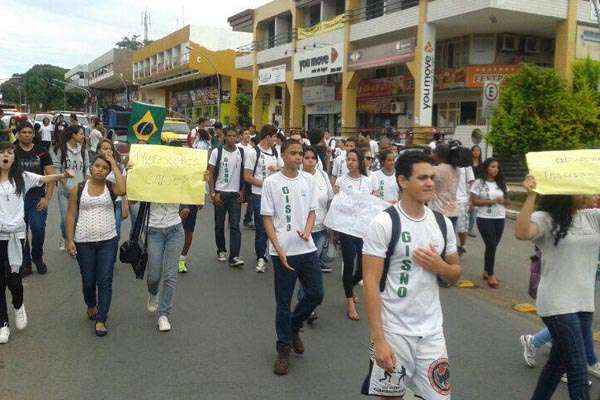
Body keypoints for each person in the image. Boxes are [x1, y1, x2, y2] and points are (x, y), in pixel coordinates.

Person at [361, 150, 460, 399]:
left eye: (431, 177)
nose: (430, 183)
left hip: (432, 333)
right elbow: (370, 283)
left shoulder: (442, 223)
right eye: (422, 178)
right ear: (403, 181)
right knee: (390, 397)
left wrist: (441, 267)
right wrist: (379, 339)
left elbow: (455, 274)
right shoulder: (383, 223)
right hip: (394, 333)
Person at [515, 176, 600, 400]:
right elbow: (522, 232)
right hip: (556, 302)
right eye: (580, 189)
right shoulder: (546, 219)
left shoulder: (592, 217)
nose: (587, 192)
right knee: (577, 367)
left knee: (557, 363)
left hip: (583, 303)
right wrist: (531, 195)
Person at [261, 139, 324, 376]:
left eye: (301, 154)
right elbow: (267, 217)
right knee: (283, 302)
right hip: (283, 251)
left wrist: (308, 230)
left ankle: (294, 326)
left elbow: (311, 211)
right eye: (293, 153)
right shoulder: (271, 182)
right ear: (283, 155)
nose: (298, 157)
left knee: (317, 293)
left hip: (306, 249)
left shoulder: (309, 180)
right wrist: (277, 248)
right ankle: (283, 349)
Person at [0, 141, 73, 344]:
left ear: (13, 158)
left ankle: (18, 305)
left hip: (16, 236)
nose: (5, 156)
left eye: (9, 153)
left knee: (14, 280)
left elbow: (44, 177)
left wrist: (63, 175)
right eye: (1, 153)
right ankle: (3, 324)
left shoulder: (22, 178)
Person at [65, 154, 125, 337]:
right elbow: (70, 215)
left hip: (108, 240)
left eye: (104, 168)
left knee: (105, 280)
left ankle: (101, 318)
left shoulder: (110, 187)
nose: (100, 169)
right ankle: (91, 304)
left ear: (108, 172)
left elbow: (122, 190)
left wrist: (114, 163)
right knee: (88, 280)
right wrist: (69, 240)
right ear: (91, 168)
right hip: (84, 241)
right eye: (97, 166)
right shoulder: (79, 188)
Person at [333, 149, 372, 321]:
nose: (350, 162)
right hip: (346, 229)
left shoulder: (368, 181)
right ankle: (350, 302)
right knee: (349, 264)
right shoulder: (341, 181)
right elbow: (336, 207)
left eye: (354, 160)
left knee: (363, 268)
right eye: (348, 159)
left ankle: (350, 285)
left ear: (360, 162)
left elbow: (371, 205)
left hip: (363, 229)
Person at [14, 122, 55, 276]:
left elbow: (50, 176)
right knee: (20, 233)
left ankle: (37, 257)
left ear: (33, 134)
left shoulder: (42, 152)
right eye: (23, 132)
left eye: (30, 132)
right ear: (18, 134)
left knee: (38, 229)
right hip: (16, 199)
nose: (27, 135)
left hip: (37, 198)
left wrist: (47, 198)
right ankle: (26, 263)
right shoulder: (11, 150)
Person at [243, 124, 282, 273]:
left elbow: (283, 169)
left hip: (275, 196)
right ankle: (261, 257)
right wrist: (266, 183)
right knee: (261, 227)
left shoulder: (275, 152)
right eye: (274, 137)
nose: (276, 140)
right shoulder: (254, 153)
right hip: (259, 195)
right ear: (268, 137)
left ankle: (273, 253)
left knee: (276, 226)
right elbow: (247, 176)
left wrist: (277, 170)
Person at [145, 201, 189, 332]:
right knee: (154, 275)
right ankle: (153, 293)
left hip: (175, 229)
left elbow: (190, 189)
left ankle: (163, 314)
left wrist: (188, 204)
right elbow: (134, 197)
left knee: (170, 275)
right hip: (153, 229)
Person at [207, 128, 245, 267]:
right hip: (220, 193)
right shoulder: (217, 152)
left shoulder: (241, 152)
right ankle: (221, 250)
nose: (231, 138)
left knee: (235, 226)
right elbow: (210, 173)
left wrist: (242, 190)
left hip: (235, 195)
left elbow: (244, 173)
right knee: (219, 224)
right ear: (224, 137)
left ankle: (234, 256)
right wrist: (212, 192)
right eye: (229, 136)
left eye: (234, 136)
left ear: (237, 137)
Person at [470, 158, 508, 289]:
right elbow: (474, 201)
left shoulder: (501, 183)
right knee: (491, 244)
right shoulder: (479, 183)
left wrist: (504, 201)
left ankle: (486, 271)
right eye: (492, 167)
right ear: (486, 168)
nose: (495, 169)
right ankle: (491, 275)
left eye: (497, 167)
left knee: (492, 246)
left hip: (500, 217)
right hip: (484, 217)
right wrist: (491, 202)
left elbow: (507, 202)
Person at [51, 125, 89, 251]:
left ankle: (72, 242)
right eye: (81, 134)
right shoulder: (60, 149)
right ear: (73, 135)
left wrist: (86, 184)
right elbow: (56, 170)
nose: (83, 136)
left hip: (80, 192)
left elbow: (87, 168)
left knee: (77, 219)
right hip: (65, 192)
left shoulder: (84, 150)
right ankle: (65, 236)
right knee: (64, 220)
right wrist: (66, 184)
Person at [302, 146, 333, 273]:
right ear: (302, 159)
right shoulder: (298, 176)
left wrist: (331, 223)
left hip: (321, 226)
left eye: (313, 158)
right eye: (307, 158)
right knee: (308, 266)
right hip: (303, 229)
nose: (310, 161)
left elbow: (330, 198)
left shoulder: (323, 175)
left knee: (312, 262)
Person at [98, 139, 129, 240]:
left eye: (110, 149)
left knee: (116, 234)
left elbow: (123, 188)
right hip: (99, 204)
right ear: (99, 150)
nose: (108, 151)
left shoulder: (119, 167)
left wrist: (125, 206)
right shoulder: (94, 166)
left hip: (116, 204)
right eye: (104, 148)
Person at [429, 144, 459, 233]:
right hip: (453, 209)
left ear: (437, 155)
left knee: (438, 240)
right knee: (450, 238)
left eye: (433, 153)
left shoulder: (435, 170)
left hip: (438, 209)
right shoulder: (457, 169)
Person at [455, 165, 475, 255]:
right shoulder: (446, 161)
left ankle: (462, 246)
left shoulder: (467, 166)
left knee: (461, 227)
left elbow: (472, 183)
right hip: (446, 201)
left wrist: (471, 200)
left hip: (462, 201)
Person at [238, 129, 255, 229]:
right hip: (239, 175)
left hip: (249, 175)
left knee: (250, 199)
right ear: (241, 136)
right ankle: (234, 218)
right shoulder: (237, 147)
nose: (248, 135)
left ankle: (247, 219)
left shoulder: (252, 148)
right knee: (238, 197)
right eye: (245, 133)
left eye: (249, 134)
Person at [468, 145, 484, 237]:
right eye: (475, 150)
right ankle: (463, 227)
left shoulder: (482, 164)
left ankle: (470, 228)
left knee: (474, 208)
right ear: (472, 152)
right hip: (468, 187)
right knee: (467, 207)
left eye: (478, 150)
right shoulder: (468, 163)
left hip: (477, 188)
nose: (477, 152)